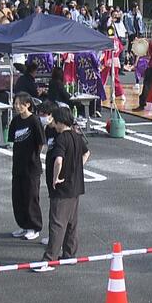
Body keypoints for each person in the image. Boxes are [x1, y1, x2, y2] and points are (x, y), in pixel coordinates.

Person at [35, 107, 90, 272]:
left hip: (62, 188)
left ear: (60, 122)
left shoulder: (61, 139)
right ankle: (69, 255)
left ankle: (49, 259)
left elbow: (58, 160)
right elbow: (87, 153)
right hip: (76, 186)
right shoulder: (76, 136)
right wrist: (76, 167)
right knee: (72, 223)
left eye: (55, 121)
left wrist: (56, 177)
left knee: (57, 223)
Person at [7, 93, 45, 241]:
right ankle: (23, 225)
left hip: (32, 166)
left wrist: (34, 155)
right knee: (18, 197)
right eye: (15, 103)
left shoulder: (34, 121)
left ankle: (34, 227)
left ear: (28, 104)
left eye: (20, 104)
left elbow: (41, 142)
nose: (17, 106)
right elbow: (11, 140)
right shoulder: (16, 121)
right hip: (18, 164)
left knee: (31, 197)